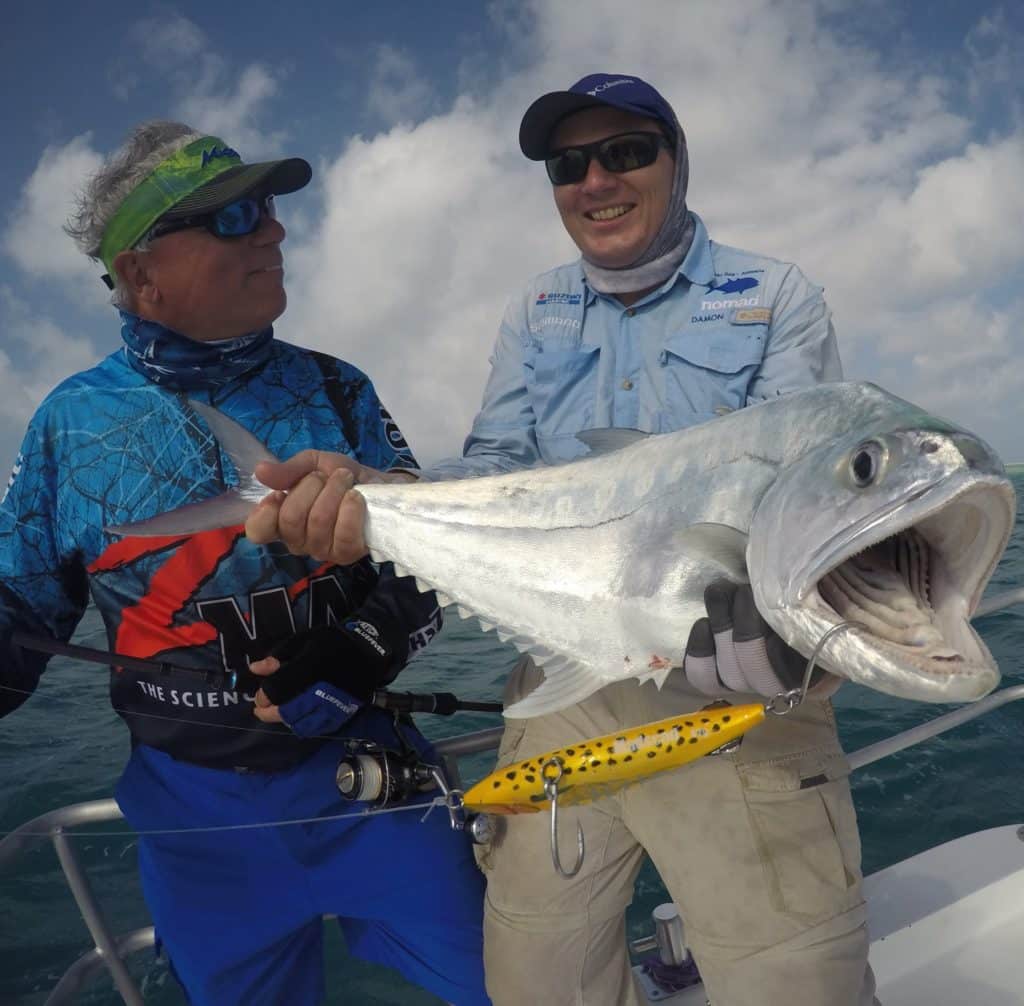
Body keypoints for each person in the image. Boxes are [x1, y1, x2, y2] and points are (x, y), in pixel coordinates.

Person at [246, 75, 879, 1006]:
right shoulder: (536, 311)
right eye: (567, 164)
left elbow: (797, 488)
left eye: (625, 152)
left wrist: (793, 633)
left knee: (793, 980)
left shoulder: (774, 294)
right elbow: (495, 467)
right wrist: (381, 497)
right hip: (563, 682)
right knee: (539, 978)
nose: (594, 180)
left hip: (729, 685)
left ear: (677, 160)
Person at [0, 122, 490, 1006]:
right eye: (235, 218)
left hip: (373, 788)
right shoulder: (67, 426)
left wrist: (360, 650)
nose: (275, 230)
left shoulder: (340, 389)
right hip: (196, 831)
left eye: (265, 208)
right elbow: (18, 625)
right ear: (141, 274)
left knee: (515, 981)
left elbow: (432, 565)